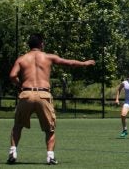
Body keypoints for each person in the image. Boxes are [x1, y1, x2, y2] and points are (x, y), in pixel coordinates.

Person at [7, 33, 95, 165]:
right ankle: (50, 156)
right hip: (43, 95)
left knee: (17, 126)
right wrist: (84, 63)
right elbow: (69, 63)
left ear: (29, 45)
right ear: (41, 43)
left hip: (26, 94)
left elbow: (12, 75)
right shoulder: (48, 57)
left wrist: (21, 85)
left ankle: (13, 152)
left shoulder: (21, 59)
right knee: (50, 129)